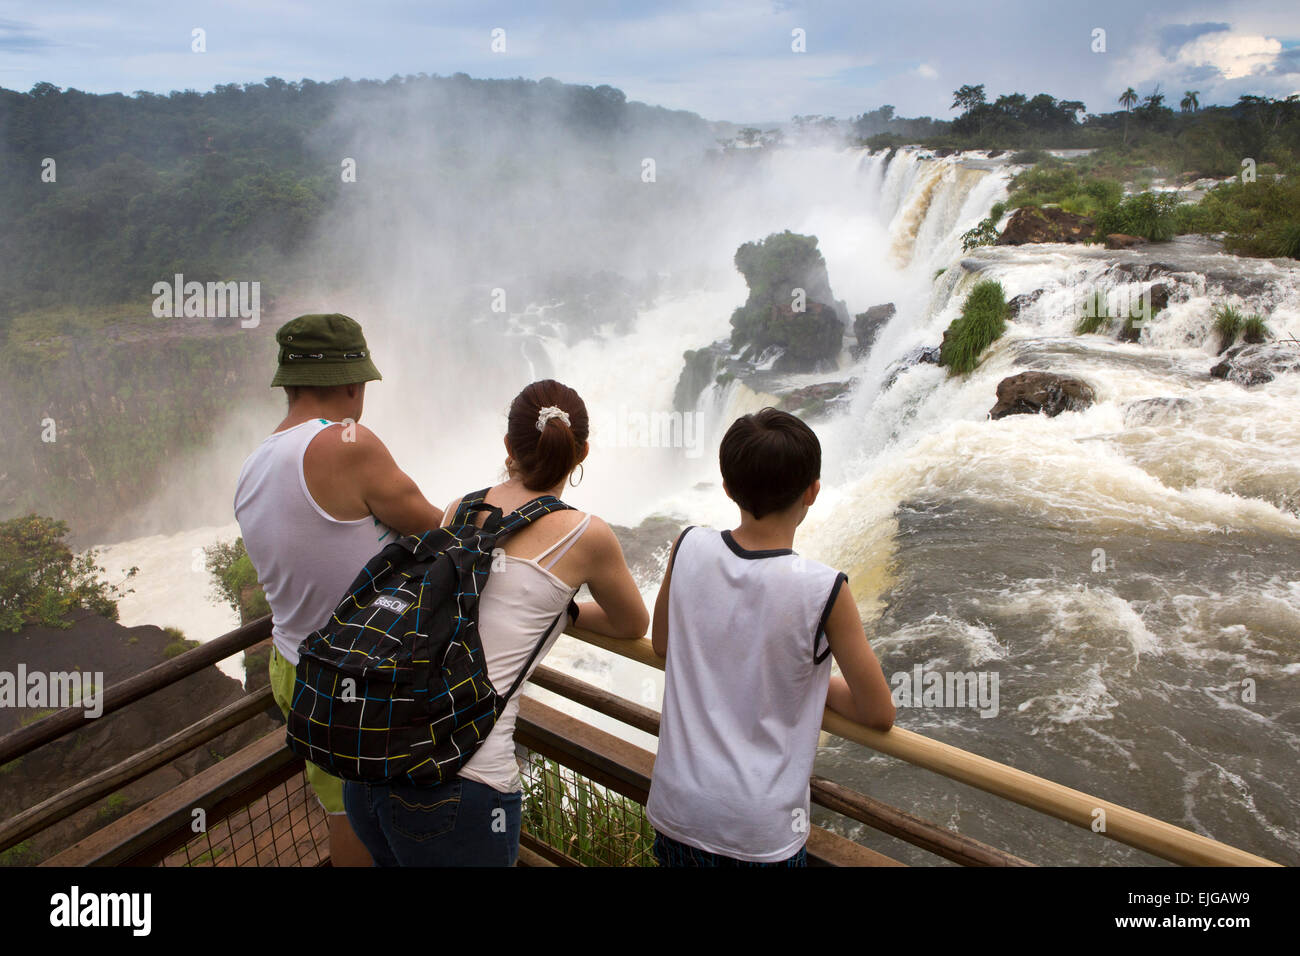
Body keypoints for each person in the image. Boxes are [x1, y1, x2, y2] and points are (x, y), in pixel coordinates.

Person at [343, 379, 649, 866]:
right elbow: (632, 623)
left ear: (507, 446)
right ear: (582, 450)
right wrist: (561, 611)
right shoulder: (587, 536)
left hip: (373, 768)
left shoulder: (457, 511)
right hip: (461, 787)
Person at [234, 312, 444, 867]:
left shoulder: (254, 463)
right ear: (353, 383)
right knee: (404, 816)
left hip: (293, 666)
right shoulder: (350, 444)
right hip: (361, 677)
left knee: (345, 812)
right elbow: (441, 532)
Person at [645, 407, 896, 867]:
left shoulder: (688, 545)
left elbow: (662, 644)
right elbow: (878, 712)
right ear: (813, 492)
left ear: (727, 487)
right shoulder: (824, 589)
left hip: (677, 809)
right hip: (757, 832)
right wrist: (804, 684)